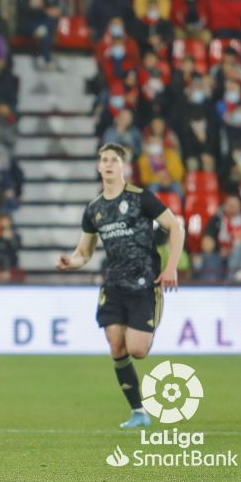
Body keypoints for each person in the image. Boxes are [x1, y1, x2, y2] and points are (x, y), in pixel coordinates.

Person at [56, 143, 184, 428]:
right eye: (104, 159)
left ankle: (146, 333)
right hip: (113, 286)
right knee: (116, 346)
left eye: (114, 159)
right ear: (99, 167)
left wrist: (170, 266)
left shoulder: (141, 198)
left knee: (137, 350)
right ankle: (138, 412)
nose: (109, 163)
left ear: (123, 166)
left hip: (143, 284)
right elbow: (84, 253)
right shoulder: (94, 209)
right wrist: (70, 261)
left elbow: (175, 227)